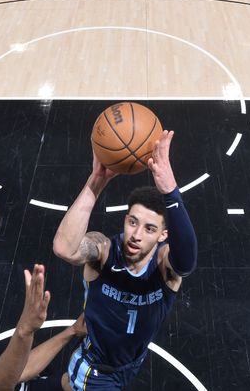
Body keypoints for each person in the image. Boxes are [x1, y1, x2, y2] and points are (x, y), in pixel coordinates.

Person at [53, 129, 197, 390]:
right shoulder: (104, 251)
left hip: (130, 363)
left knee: (65, 384)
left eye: (149, 229)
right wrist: (95, 182)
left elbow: (187, 263)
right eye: (133, 222)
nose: (136, 235)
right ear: (125, 219)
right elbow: (64, 248)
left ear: (164, 235)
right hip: (95, 370)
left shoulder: (164, 265)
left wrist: (170, 190)